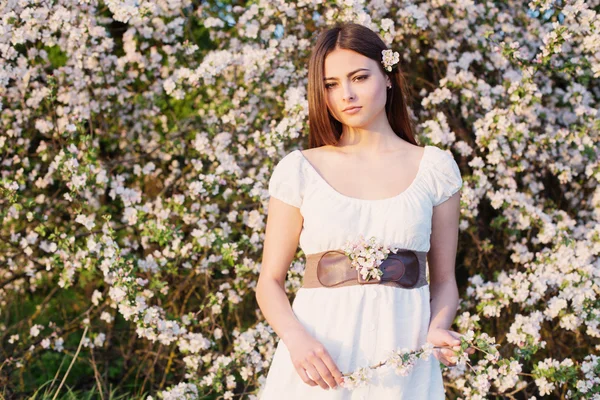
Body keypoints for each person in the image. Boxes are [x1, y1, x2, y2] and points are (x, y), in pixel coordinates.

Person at [255, 22, 474, 399]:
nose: (347, 94)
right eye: (331, 85)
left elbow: (443, 282)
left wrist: (438, 327)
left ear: (388, 77)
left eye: (359, 77)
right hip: (321, 363)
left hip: (401, 365)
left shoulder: (435, 169)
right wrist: (296, 341)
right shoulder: (300, 170)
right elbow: (268, 282)